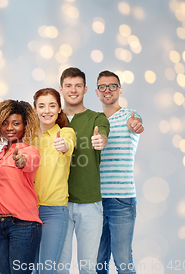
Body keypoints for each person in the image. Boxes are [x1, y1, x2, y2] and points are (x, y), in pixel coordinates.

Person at [57, 67, 110, 274]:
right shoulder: (51, 118)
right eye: (68, 86)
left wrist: (101, 140)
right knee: (60, 267)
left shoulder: (97, 118)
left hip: (90, 204)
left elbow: (103, 134)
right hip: (58, 204)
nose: (73, 90)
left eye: (78, 85)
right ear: (61, 89)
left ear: (85, 89)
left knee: (88, 268)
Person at [0, 100, 42, 274]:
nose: (10, 128)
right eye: (5, 123)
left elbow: (29, 163)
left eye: (16, 123)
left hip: (22, 225)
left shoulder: (30, 151)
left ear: (25, 126)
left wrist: (21, 161)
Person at [95, 71, 143, 274]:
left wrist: (136, 125)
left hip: (121, 199)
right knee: (97, 262)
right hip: (94, 200)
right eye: (103, 87)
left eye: (112, 86)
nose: (108, 90)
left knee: (123, 261)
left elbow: (135, 126)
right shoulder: (93, 121)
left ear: (120, 90)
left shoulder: (129, 116)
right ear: (97, 92)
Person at [32, 88, 76, 273]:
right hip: (28, 210)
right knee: (30, 269)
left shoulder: (66, 133)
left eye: (52, 105)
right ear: (35, 110)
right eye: (41, 106)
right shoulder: (28, 137)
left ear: (59, 109)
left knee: (47, 269)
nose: (46, 110)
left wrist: (63, 146)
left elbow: (68, 145)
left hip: (54, 211)